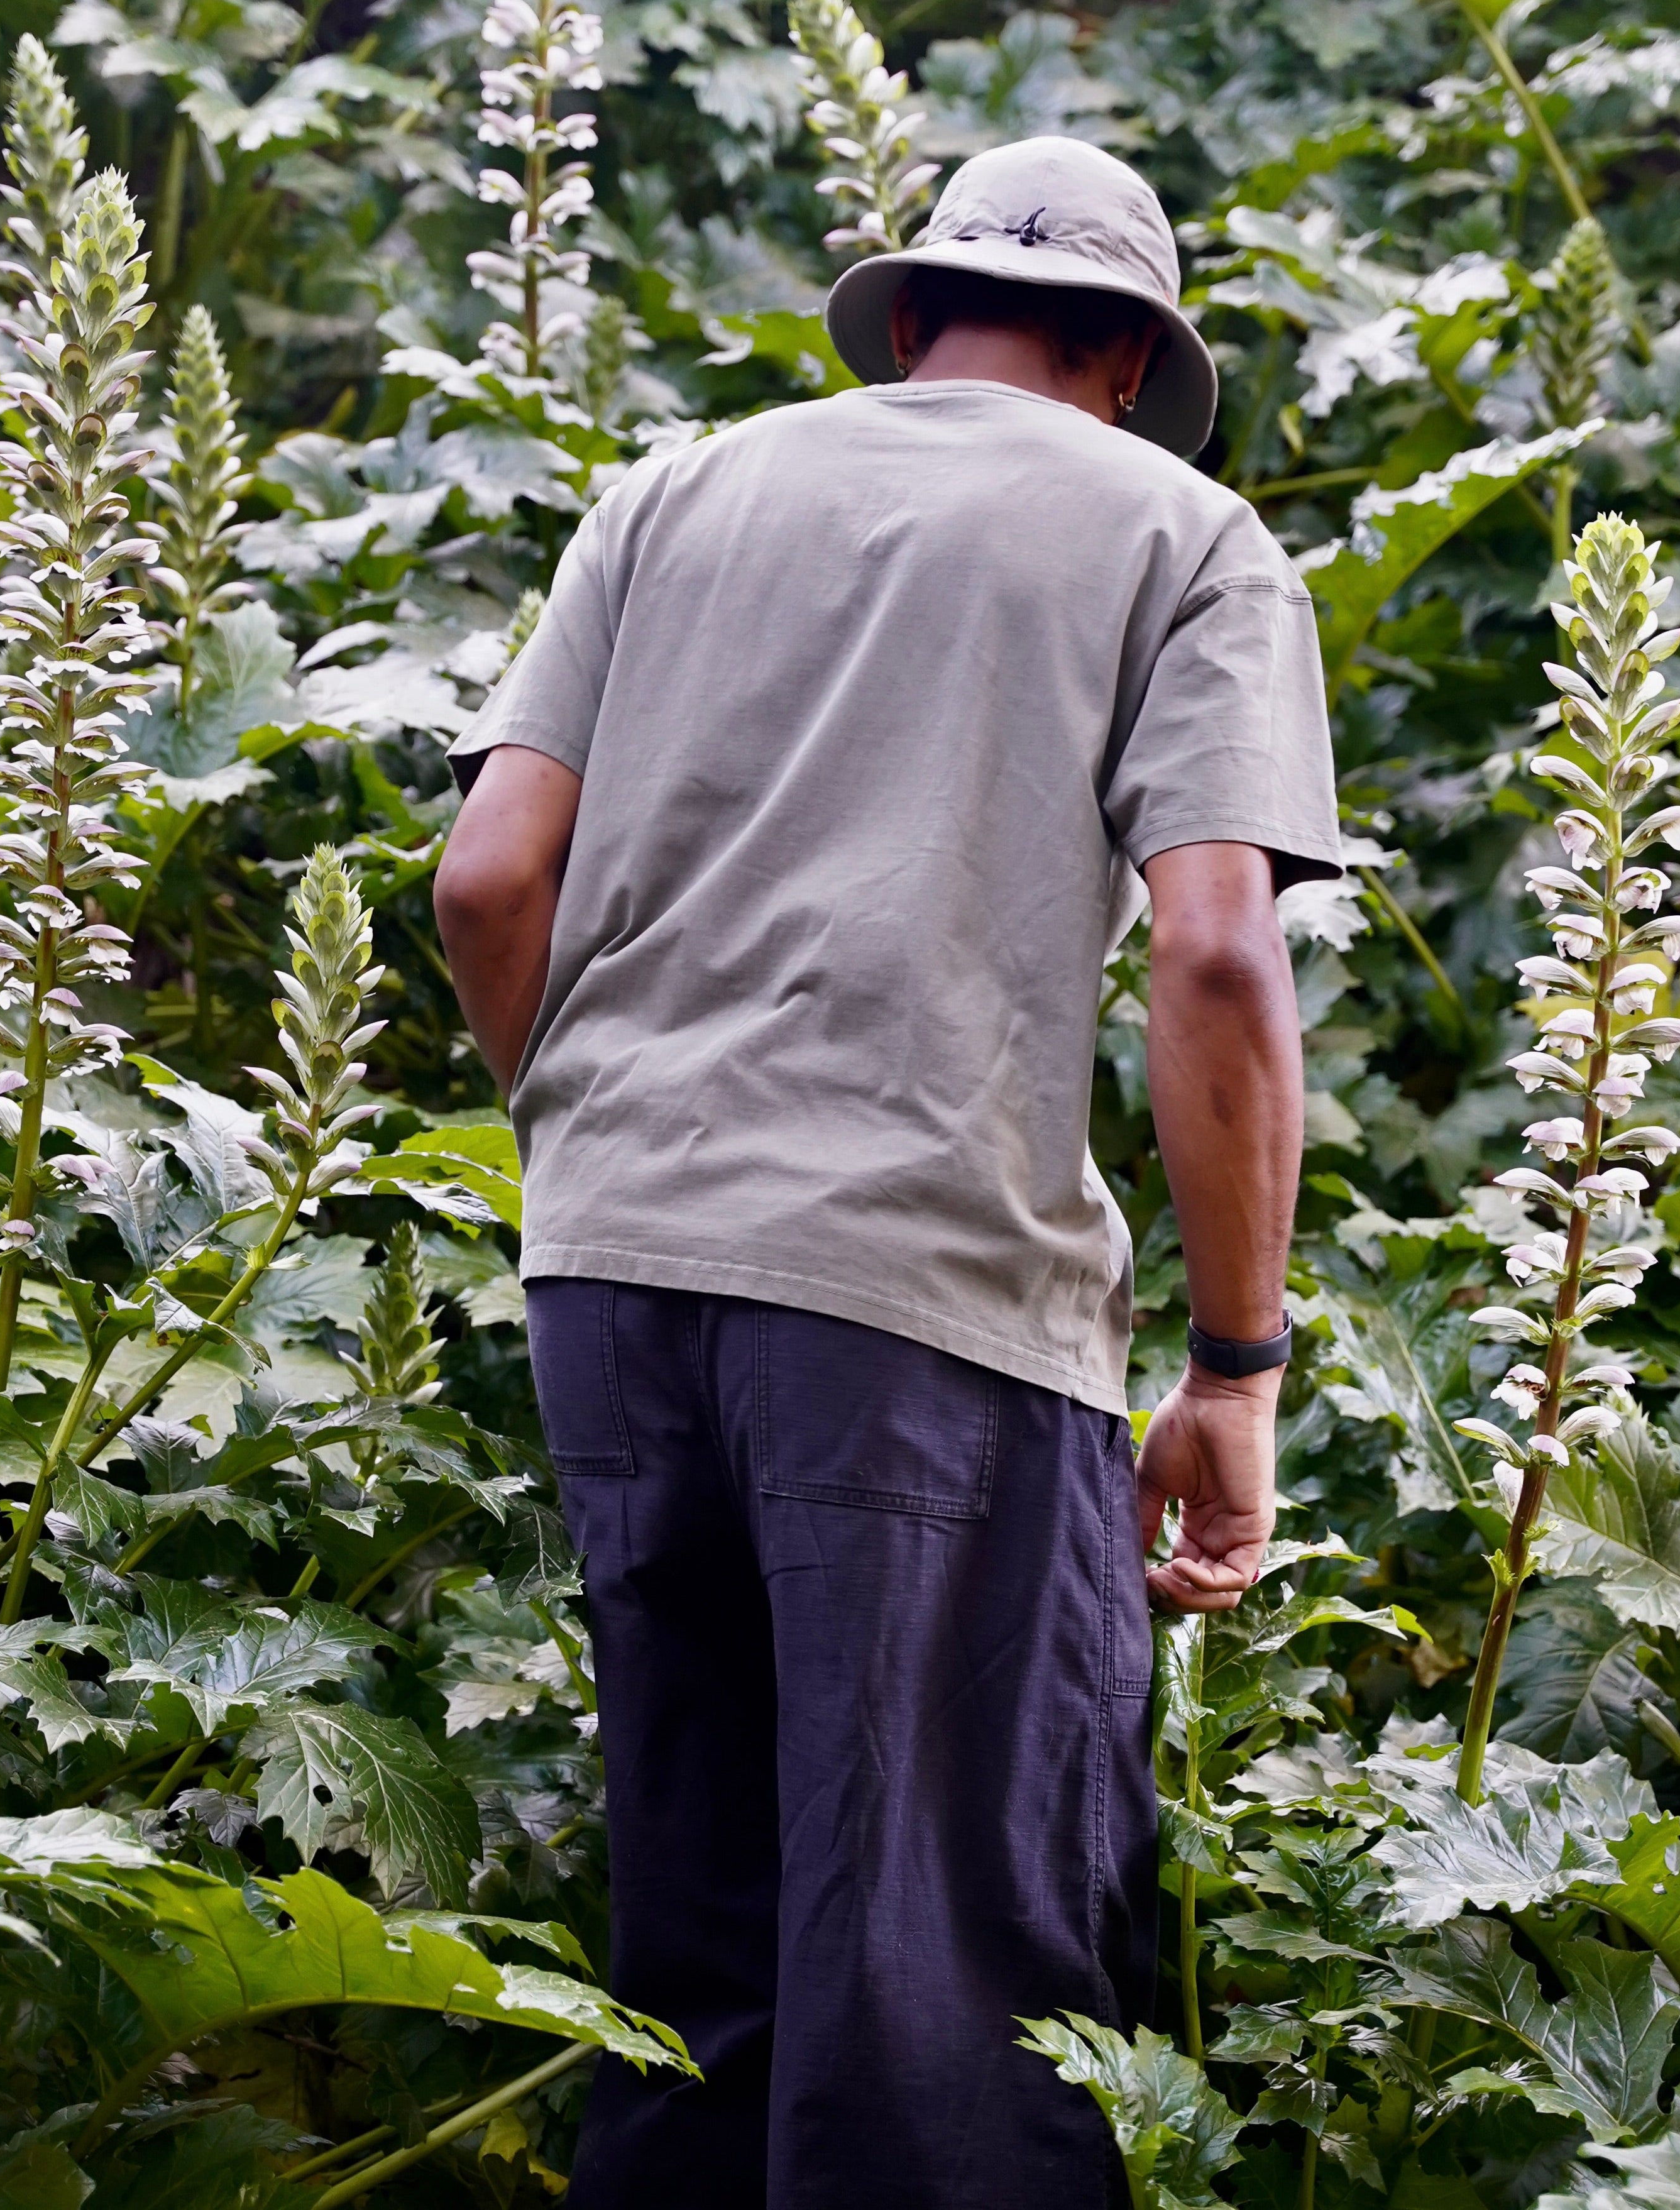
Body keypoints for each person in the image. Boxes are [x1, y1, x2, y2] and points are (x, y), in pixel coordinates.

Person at [434, 134, 1339, 2210]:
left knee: (699, 1966)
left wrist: (598, 1141)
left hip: (614, 1276)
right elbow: (1210, 948)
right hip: (924, 1307)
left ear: (912, 319)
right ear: (1125, 361)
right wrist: (1234, 1364)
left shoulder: (666, 495)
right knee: (947, 1983)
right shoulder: (1183, 538)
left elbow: (488, 883)